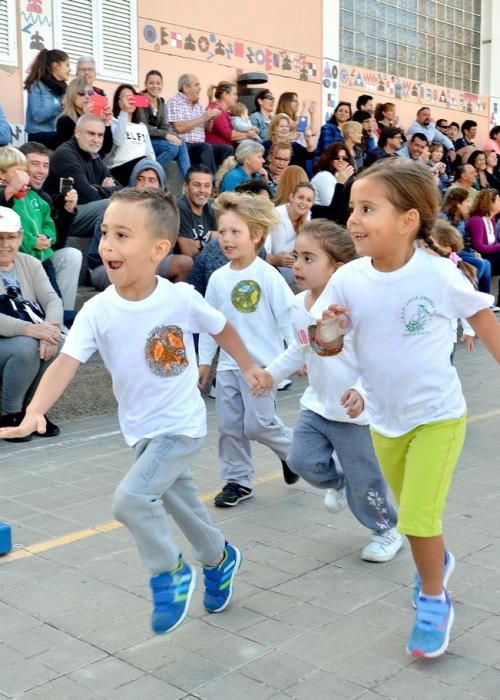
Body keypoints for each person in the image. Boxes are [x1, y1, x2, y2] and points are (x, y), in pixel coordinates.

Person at [0, 188, 257, 635]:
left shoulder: (180, 298)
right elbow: (66, 362)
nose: (107, 245)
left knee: (132, 499)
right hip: (140, 431)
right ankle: (220, 558)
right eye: (104, 233)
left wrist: (250, 366)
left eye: (122, 235)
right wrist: (33, 412)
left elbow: (222, 328)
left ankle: (169, 573)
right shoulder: (99, 310)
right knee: (180, 504)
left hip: (180, 426)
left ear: (159, 249)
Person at [315, 160, 499, 658]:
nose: (353, 219)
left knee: (417, 517)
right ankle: (437, 559)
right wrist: (329, 331)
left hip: (438, 416)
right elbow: (323, 344)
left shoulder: (437, 275)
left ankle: (434, 598)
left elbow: (483, 319)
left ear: (408, 220)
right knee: (416, 518)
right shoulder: (349, 278)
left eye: (368, 208)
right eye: (353, 207)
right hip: (384, 422)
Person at [254, 219, 402, 562]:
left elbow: (376, 356)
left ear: (337, 267)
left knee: (366, 481)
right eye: (296, 256)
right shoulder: (298, 304)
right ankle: (337, 483)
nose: (298, 265)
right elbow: (299, 348)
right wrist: (270, 375)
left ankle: (386, 530)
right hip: (317, 406)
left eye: (309, 258)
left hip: (355, 415)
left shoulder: (352, 308)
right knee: (300, 459)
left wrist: (361, 391)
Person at [198, 192, 298, 507]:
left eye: (235, 232)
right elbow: (210, 324)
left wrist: (296, 356)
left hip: (263, 368)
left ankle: (293, 453)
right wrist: (204, 363)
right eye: (222, 232)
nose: (226, 239)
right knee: (229, 426)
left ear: (256, 235)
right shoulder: (217, 279)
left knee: (258, 425)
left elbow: (287, 318)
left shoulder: (268, 275)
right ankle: (237, 481)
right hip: (229, 367)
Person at [0, 206, 62, 441]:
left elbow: (51, 299)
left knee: (62, 345)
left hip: (25, 338)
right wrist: (32, 330)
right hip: (8, 343)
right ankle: (10, 414)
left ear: (20, 238)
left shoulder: (30, 263)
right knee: (27, 346)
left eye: (10, 237)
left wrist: (52, 330)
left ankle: (34, 411)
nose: (5, 244)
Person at [87, 159, 192, 290]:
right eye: (140, 179)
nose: (145, 185)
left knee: (183, 263)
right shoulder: (117, 210)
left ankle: (170, 304)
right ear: (133, 181)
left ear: (161, 185)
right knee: (141, 267)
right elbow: (97, 256)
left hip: (148, 262)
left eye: (152, 180)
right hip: (106, 266)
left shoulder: (165, 212)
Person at [0, 146, 82, 315]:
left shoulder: (39, 198)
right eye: (35, 164)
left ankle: (61, 317)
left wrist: (66, 212)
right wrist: (8, 192)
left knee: (71, 256)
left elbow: (55, 238)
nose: (40, 171)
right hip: (17, 258)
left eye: (45, 165)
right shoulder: (8, 194)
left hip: (42, 258)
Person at [45, 114, 121, 238]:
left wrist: (98, 188)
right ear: (77, 133)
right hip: (62, 217)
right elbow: (89, 196)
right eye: (91, 133)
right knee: (111, 205)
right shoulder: (66, 155)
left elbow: (120, 188)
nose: (96, 140)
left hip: (83, 212)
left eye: (100, 135)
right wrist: (102, 189)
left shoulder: (93, 155)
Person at [138, 70, 190, 178]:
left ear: (162, 85)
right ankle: (151, 173)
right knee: (172, 148)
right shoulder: (140, 99)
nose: (155, 86)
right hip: (142, 140)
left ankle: (189, 180)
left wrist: (170, 136)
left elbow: (165, 126)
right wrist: (165, 135)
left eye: (158, 83)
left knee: (181, 143)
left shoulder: (160, 102)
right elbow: (143, 127)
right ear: (146, 84)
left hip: (155, 139)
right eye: (151, 83)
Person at [440, 187, 492, 295]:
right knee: (479, 264)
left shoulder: (461, 218)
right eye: (466, 201)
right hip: (447, 253)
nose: (469, 204)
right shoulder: (443, 217)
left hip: (460, 251)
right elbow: (445, 241)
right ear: (458, 204)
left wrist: (473, 252)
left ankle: (485, 301)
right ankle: (467, 296)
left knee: (486, 263)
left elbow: (465, 241)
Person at [166, 74, 221, 173]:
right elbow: (179, 127)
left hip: (198, 145)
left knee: (226, 149)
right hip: (183, 145)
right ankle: (211, 184)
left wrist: (211, 119)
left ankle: (224, 183)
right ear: (186, 88)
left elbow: (207, 129)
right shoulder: (174, 102)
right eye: (196, 85)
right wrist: (203, 117)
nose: (200, 88)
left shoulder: (198, 106)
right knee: (205, 147)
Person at [266, 182, 315, 283]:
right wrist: (276, 259)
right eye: (301, 197)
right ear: (291, 197)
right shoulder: (276, 214)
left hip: (293, 265)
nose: (304, 203)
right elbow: (272, 252)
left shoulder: (307, 215)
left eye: (309, 200)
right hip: (272, 268)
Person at [108, 84, 156, 186]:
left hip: (140, 168)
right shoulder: (112, 122)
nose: (130, 100)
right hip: (119, 169)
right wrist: (124, 112)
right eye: (126, 97)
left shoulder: (142, 126)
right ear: (119, 102)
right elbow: (118, 141)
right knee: (142, 162)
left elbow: (150, 153)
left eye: (133, 97)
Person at [24, 49, 70, 148]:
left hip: (55, 136)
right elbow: (38, 116)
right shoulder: (36, 85)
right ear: (55, 66)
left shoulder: (64, 88)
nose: (70, 70)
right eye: (67, 65)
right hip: (38, 137)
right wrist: (60, 105)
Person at [205, 82, 259, 166]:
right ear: (225, 95)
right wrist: (248, 134)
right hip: (218, 151)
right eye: (234, 94)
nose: (236, 97)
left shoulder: (224, 111)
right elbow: (229, 135)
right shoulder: (215, 110)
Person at [54, 77, 113, 153]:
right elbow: (71, 150)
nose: (87, 96)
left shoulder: (95, 119)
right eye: (82, 93)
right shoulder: (65, 121)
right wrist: (86, 120)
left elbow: (106, 149)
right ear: (72, 96)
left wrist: (106, 123)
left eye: (90, 93)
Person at [467, 189, 500, 303]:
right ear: (490, 203)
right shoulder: (477, 220)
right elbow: (479, 246)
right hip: (478, 254)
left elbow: (494, 243)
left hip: (490, 255)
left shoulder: (492, 220)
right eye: (498, 200)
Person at [176, 165, 217, 257]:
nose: (202, 190)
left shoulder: (210, 207)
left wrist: (200, 244)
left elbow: (222, 239)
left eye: (207, 186)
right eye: (197, 185)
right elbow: (188, 252)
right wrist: (209, 240)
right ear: (186, 187)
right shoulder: (180, 207)